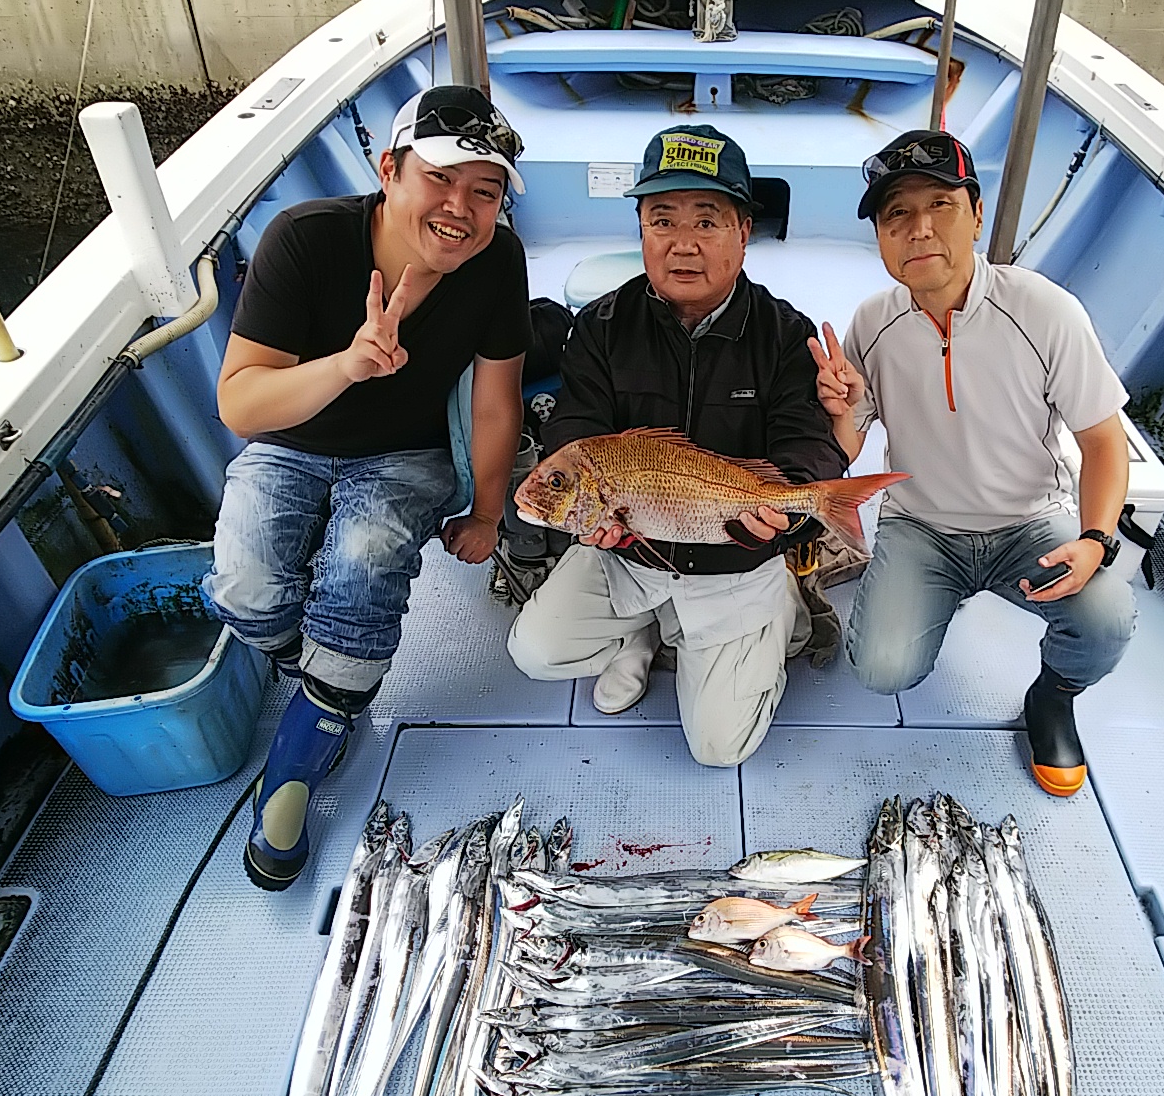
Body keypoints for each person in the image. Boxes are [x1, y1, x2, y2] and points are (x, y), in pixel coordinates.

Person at [203, 86, 529, 889]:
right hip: (291, 441)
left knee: (363, 562)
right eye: (440, 179)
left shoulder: (498, 260)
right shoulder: (305, 238)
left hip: (407, 453)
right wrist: (348, 365)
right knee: (244, 589)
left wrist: (488, 514)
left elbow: (496, 401)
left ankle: (307, 743)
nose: (460, 209)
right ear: (389, 170)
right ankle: (321, 684)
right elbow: (240, 404)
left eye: (484, 191)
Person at [507, 125, 847, 767]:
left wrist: (790, 507)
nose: (682, 244)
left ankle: (778, 601)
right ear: (641, 229)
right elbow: (576, 425)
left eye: (707, 221)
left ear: (744, 231)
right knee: (536, 651)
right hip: (628, 556)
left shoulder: (783, 333)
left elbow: (807, 443)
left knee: (721, 747)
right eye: (661, 220)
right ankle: (640, 635)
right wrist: (583, 502)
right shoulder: (601, 325)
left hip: (735, 560)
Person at [814, 129, 1136, 797]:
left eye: (941, 205)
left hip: (1030, 524)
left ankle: (1053, 697)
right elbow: (849, 447)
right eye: (897, 214)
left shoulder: (1045, 311)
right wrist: (840, 411)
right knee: (880, 667)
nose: (919, 229)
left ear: (977, 214)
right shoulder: (871, 323)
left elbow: (1104, 442)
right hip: (922, 527)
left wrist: (1095, 539)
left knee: (1106, 620)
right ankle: (935, 594)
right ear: (880, 236)